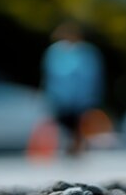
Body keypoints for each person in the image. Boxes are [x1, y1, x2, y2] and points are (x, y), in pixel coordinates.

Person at [42, 20, 103, 156]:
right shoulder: (54, 51)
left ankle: (76, 146)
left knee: (79, 123)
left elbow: (93, 76)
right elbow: (50, 74)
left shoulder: (87, 52)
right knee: (63, 122)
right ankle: (69, 145)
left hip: (81, 97)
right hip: (60, 96)